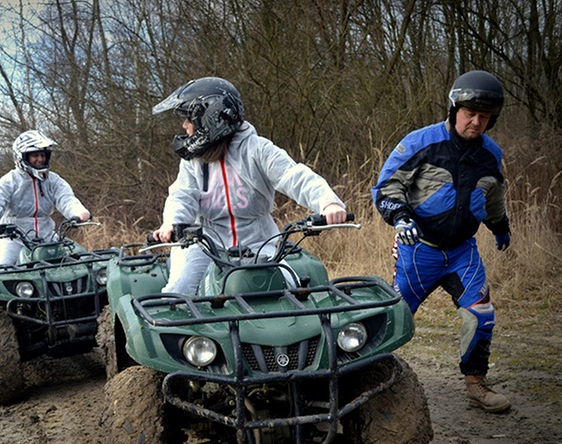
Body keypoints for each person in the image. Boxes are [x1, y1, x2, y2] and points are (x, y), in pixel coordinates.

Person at [371, 70, 512, 413]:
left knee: (481, 313)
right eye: (470, 114)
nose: (476, 122)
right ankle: (367, 384)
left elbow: (493, 197)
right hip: (418, 252)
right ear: (453, 108)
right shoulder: (421, 142)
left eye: (484, 117)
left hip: (463, 252)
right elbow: (386, 187)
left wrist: (500, 227)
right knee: (392, 319)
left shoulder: (491, 155)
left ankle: (476, 384)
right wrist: (400, 217)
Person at [151, 76, 347, 295]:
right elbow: (182, 195)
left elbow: (294, 176)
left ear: (210, 117)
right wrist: (173, 223)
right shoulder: (193, 160)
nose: (184, 125)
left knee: (291, 286)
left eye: (189, 118)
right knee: (179, 289)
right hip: (204, 244)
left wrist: (328, 203)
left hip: (258, 243)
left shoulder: (257, 150)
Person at [0, 130, 91, 266]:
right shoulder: (9, 181)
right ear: (21, 157)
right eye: (35, 155)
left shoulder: (53, 180)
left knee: (82, 259)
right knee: (4, 271)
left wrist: (79, 212)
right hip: (14, 240)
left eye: (43, 155)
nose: (40, 159)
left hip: (48, 238)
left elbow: (66, 199)